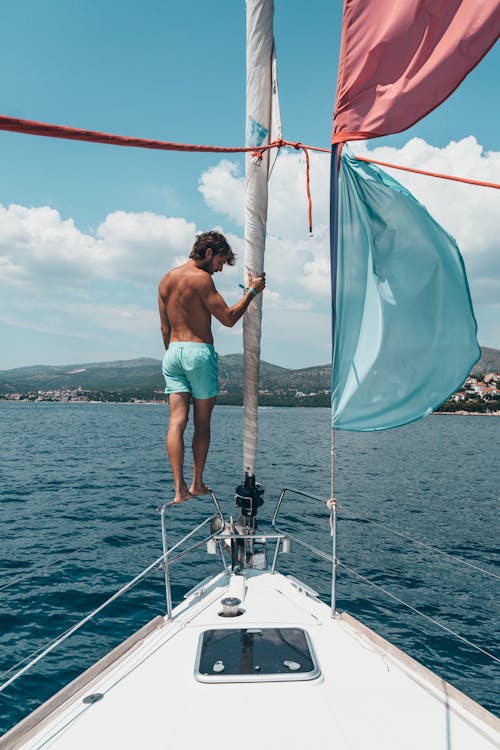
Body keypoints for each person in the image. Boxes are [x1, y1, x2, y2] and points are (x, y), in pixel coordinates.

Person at [158, 231, 265, 504]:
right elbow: (228, 318)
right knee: (202, 423)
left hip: (172, 354)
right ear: (208, 252)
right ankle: (196, 483)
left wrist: (175, 353)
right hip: (197, 352)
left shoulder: (166, 280)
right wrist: (252, 290)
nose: (219, 268)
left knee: (175, 423)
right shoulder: (202, 279)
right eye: (220, 261)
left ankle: (178, 489)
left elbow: (165, 328)